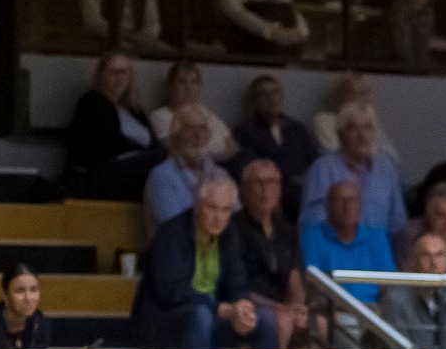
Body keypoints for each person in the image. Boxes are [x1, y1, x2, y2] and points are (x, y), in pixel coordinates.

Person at [134, 175, 286, 349]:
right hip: (163, 325)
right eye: (211, 208)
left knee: (265, 320)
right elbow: (171, 292)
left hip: (207, 322)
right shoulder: (170, 233)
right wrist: (223, 309)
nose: (218, 217)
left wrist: (243, 307)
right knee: (200, 315)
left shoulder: (230, 233)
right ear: (197, 205)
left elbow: (237, 282)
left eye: (226, 210)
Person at [233, 159, 308, 349]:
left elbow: (295, 275)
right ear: (244, 190)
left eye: (272, 182)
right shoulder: (233, 228)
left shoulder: (287, 230)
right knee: (281, 322)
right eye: (258, 183)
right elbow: (236, 285)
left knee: (316, 323)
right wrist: (281, 309)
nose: (265, 189)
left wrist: (297, 308)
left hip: (283, 305)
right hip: (250, 304)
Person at [65, 50, 156, 200]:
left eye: (124, 72)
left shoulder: (134, 110)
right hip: (103, 175)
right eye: (114, 72)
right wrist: (147, 155)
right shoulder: (92, 102)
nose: (120, 78)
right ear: (102, 75)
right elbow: (110, 142)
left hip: (139, 175)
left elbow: (154, 141)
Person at [302, 108, 407, 233]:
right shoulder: (322, 168)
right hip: (333, 242)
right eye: (352, 128)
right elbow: (311, 221)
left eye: (367, 127)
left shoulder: (386, 168)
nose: (362, 136)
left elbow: (398, 221)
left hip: (378, 243)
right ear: (340, 135)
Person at [300, 180, 397, 304]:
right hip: (332, 307)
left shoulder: (377, 236)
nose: (347, 207)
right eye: (339, 201)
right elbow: (313, 281)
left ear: (360, 206)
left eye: (352, 200)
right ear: (327, 206)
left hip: (374, 308)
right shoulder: (312, 235)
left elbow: (389, 282)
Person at [232, 75, 317, 216]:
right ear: (254, 100)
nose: (272, 99)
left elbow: (313, 160)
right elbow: (250, 167)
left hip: (305, 189)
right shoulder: (245, 131)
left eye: (275, 93)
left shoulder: (296, 128)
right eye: (264, 94)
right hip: (275, 194)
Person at [144, 107, 230, 235]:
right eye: (189, 128)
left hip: (218, 245)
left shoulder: (221, 175)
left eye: (203, 128)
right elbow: (175, 229)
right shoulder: (162, 176)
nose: (198, 135)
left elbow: (237, 223)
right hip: (179, 246)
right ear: (175, 138)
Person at [149, 60, 236, 167]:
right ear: (171, 86)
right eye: (182, 82)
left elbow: (233, 145)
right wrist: (211, 158)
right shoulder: (161, 116)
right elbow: (173, 149)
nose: (188, 88)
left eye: (194, 82)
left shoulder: (204, 112)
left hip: (223, 165)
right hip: (193, 167)